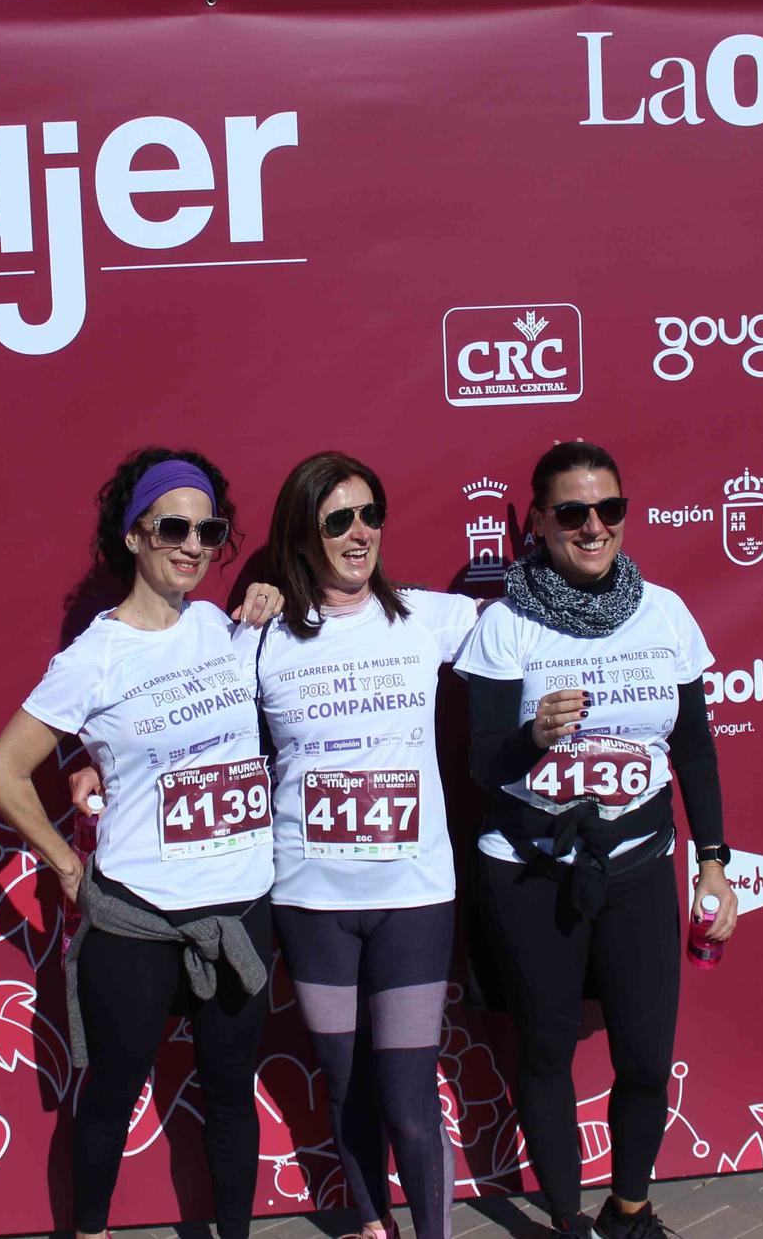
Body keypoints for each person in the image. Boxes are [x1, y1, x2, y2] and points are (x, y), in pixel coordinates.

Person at [0, 448, 281, 1239]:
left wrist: (269, 596)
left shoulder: (230, 625)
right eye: (173, 526)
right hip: (139, 914)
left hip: (243, 909)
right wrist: (68, 866)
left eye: (208, 528)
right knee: (111, 1092)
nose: (192, 544)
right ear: (135, 535)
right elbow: (4, 773)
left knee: (229, 1092)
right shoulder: (94, 657)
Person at [454, 440, 735, 1239]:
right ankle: (567, 1221)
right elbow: (481, 761)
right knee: (545, 1051)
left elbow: (695, 748)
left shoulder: (666, 611)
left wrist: (714, 858)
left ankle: (632, 1209)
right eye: (572, 511)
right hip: (531, 867)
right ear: (538, 520)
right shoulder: (506, 623)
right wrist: (532, 736)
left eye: (608, 508)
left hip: (639, 862)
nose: (592, 526)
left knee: (645, 1057)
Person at [244, 451, 481, 1239]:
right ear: (301, 533)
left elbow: (543, 638)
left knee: (409, 1095)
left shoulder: (432, 616)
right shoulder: (260, 637)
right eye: (338, 518)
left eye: (370, 512)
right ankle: (372, 1225)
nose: (360, 531)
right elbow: (188, 720)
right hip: (310, 897)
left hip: (412, 896)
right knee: (346, 1087)